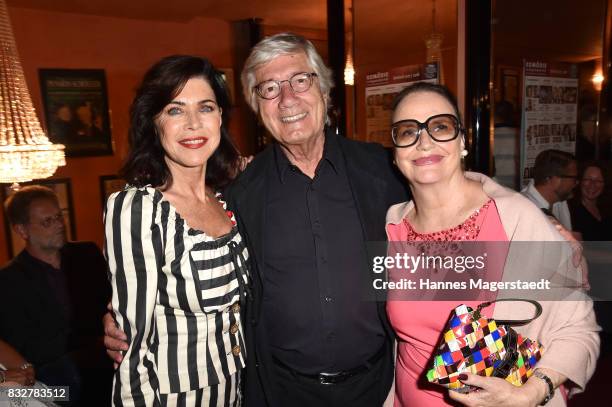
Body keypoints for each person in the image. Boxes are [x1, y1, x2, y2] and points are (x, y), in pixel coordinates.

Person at [104, 33, 408, 406]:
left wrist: (497, 359)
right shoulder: (239, 195)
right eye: (269, 88)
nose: (287, 99)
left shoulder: (386, 172)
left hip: (379, 388)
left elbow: (452, 255)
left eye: (300, 80)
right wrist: (125, 317)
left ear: (325, 91)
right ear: (255, 106)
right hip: (279, 393)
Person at [385, 82, 599, 406]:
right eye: (407, 132)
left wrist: (531, 393)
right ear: (396, 154)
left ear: (462, 141)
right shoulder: (393, 226)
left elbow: (579, 330)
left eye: (440, 126)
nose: (424, 141)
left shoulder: (513, 218)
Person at [103, 55, 249, 406]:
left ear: (220, 118)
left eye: (206, 107)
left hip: (238, 389)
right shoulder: (137, 208)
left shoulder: (230, 197)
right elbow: (131, 348)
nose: (194, 123)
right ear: (153, 122)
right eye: (175, 110)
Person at [0, 186, 111, 405]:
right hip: (54, 380)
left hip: (106, 363)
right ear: (22, 230)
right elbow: (22, 346)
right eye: (47, 222)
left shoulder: (87, 254)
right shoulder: (8, 280)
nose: (60, 225)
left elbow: (113, 303)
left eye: (59, 216)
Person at [521, 149, 578, 232]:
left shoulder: (559, 202)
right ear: (555, 179)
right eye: (574, 178)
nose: (576, 183)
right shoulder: (525, 208)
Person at [569, 162, 611, 241]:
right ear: (579, 182)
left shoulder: (607, 209)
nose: (592, 185)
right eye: (587, 179)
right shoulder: (571, 210)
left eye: (598, 181)